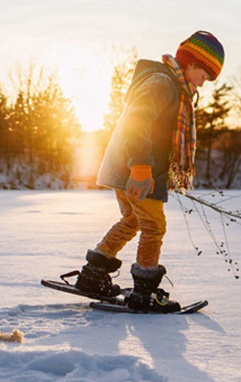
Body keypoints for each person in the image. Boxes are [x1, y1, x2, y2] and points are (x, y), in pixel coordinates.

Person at [75, 31, 225, 312]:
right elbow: (137, 120)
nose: (202, 85)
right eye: (204, 76)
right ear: (191, 65)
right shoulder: (163, 83)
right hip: (136, 168)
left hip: (128, 166)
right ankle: (145, 290)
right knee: (154, 226)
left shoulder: (170, 85)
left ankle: (93, 275)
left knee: (132, 220)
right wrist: (141, 166)